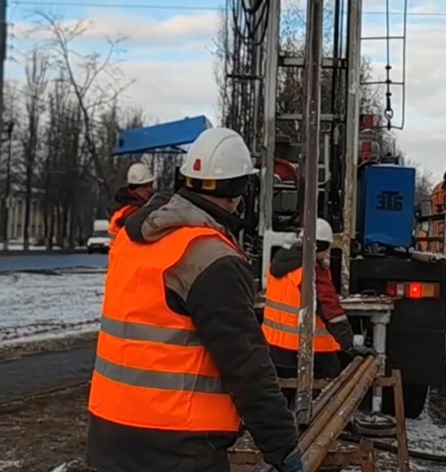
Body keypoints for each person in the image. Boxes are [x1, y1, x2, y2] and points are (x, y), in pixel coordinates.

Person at [86, 128, 304, 472]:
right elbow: (246, 366)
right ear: (240, 191)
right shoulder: (210, 257)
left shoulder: (132, 240)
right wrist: (283, 449)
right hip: (177, 447)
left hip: (108, 439)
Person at [263, 218, 375, 403]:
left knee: (282, 400)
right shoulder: (311, 271)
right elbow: (331, 311)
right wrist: (350, 345)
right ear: (319, 246)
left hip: (276, 350)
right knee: (323, 402)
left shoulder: (278, 265)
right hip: (311, 352)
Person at [108, 162, 156, 237]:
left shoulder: (141, 205)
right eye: (145, 186)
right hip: (124, 247)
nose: (149, 190)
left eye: (150, 185)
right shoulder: (127, 211)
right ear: (134, 188)